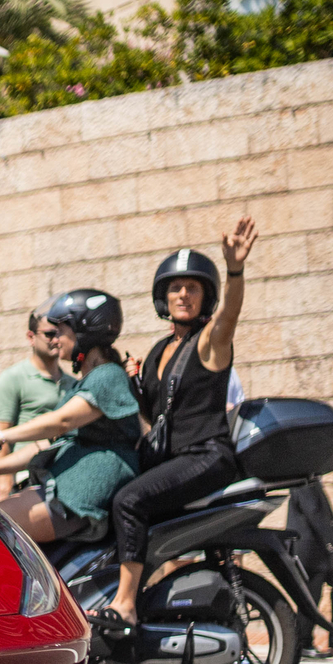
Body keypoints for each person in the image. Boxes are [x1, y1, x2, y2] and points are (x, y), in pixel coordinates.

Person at [100, 219, 259, 629]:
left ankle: (125, 604)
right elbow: (149, 420)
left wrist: (235, 270)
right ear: (162, 296)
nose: (183, 294)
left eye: (193, 287)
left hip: (205, 454)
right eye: (175, 287)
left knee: (130, 501)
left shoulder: (209, 341)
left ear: (206, 295)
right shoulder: (157, 352)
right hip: (170, 458)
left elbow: (230, 315)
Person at [0, 289, 139, 543]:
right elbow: (43, 445)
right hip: (67, 485)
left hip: (85, 489)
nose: (55, 340)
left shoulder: (108, 375)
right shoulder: (86, 381)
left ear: (83, 331)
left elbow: (61, 422)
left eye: (60, 332)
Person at [0, 303, 72, 489]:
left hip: (65, 478)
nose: (56, 339)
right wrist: (4, 488)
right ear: (31, 337)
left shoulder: (72, 382)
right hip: (28, 480)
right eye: (49, 334)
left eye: (59, 333)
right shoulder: (13, 378)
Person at [287, 480, 333, 654]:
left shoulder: (310, 481)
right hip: (310, 552)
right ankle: (303, 642)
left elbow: (322, 519)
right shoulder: (303, 482)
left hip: (321, 552)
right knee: (311, 597)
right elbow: (315, 514)